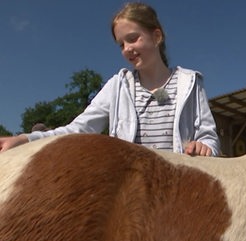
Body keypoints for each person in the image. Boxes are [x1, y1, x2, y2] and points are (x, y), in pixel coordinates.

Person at [0, 2, 219, 157]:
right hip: (132, 194)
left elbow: (209, 137)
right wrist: (24, 139)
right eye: (121, 44)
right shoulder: (118, 86)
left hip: (180, 189)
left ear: (157, 36)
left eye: (133, 39)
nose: (127, 49)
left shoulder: (189, 82)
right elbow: (78, 129)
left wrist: (205, 146)